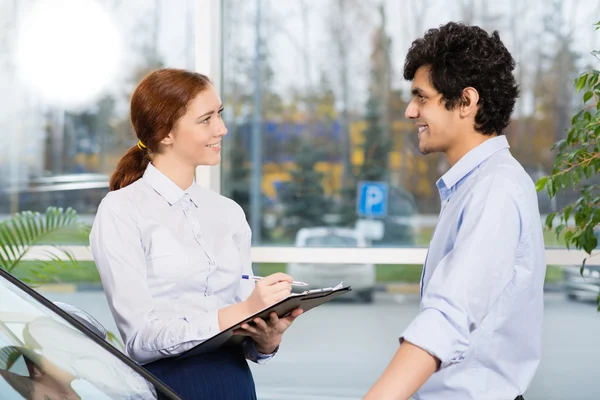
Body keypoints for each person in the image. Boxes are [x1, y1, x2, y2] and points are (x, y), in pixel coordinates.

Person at [89, 68, 303, 399]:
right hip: (170, 389)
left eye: (220, 114)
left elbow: (241, 325)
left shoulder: (229, 213)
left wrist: (266, 338)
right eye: (206, 119)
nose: (222, 128)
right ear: (165, 133)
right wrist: (242, 311)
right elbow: (141, 341)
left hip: (236, 385)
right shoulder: (121, 211)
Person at [364, 22, 545, 400]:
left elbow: (447, 317)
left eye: (421, 97)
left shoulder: (495, 188)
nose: (410, 111)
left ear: (466, 102)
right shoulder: (473, 185)